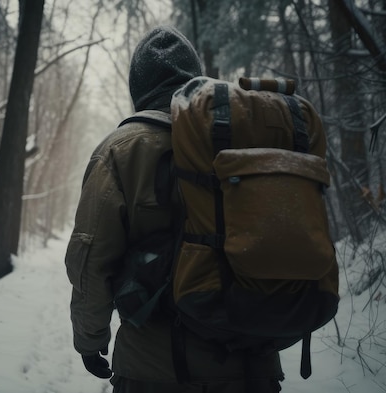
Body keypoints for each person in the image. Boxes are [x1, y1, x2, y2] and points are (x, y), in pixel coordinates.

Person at [64, 26, 285, 393]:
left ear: (139, 88)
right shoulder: (246, 138)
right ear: (196, 78)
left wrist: (90, 340)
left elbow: (90, 258)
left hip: (154, 369)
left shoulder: (121, 150)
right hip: (253, 363)